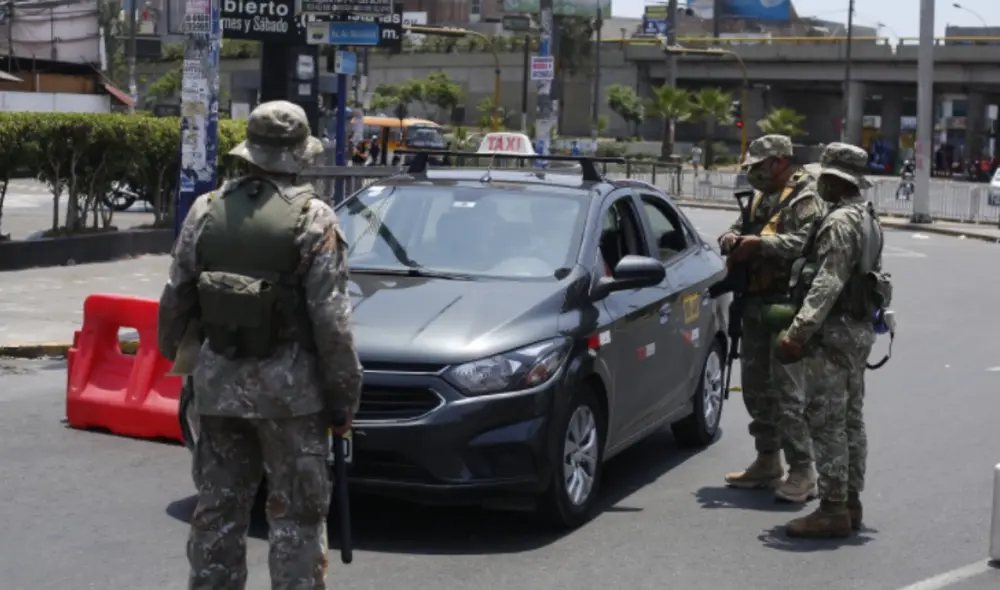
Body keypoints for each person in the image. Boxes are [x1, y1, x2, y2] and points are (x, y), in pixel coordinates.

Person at [157, 100, 364, 589]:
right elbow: (332, 323)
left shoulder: (206, 210)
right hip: (292, 401)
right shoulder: (314, 219)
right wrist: (344, 399)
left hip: (217, 389)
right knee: (296, 520)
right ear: (300, 154)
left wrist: (183, 362)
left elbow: (176, 298)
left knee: (217, 511)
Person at [778, 142, 885, 538]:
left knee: (826, 420)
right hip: (858, 331)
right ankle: (851, 502)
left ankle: (832, 508)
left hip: (834, 332)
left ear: (837, 181)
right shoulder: (867, 217)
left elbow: (828, 282)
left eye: (824, 177)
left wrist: (798, 331)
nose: (819, 183)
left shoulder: (839, 222)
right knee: (852, 419)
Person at [717, 134, 825, 503]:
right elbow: (741, 225)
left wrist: (760, 245)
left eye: (758, 166)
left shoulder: (805, 197)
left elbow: (804, 243)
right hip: (754, 302)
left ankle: (802, 471)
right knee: (755, 386)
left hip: (785, 307)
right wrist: (732, 237)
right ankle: (767, 460)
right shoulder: (762, 197)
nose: (753, 174)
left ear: (778, 162)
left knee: (788, 392)